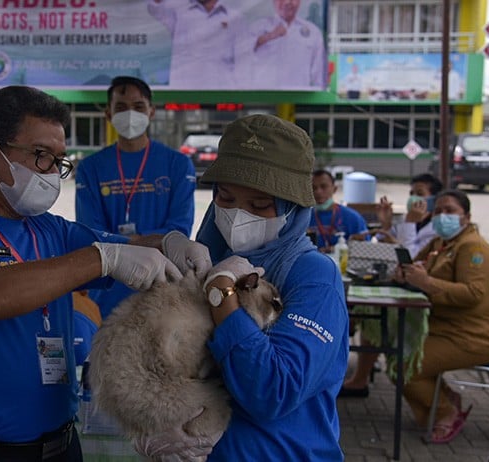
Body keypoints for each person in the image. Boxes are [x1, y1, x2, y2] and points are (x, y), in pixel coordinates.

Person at [0, 85, 197, 462]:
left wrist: (175, 245)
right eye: (41, 155)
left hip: (60, 448)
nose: (52, 173)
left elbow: (135, 246)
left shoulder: (51, 230)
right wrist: (99, 259)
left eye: (59, 160)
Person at [142, 114, 347, 460]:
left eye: (260, 205)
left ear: (292, 208)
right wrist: (149, 421)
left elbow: (274, 391)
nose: (238, 215)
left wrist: (221, 293)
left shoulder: (313, 277)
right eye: (225, 197)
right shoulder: (205, 258)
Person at [75, 76, 196, 318]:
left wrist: (125, 243)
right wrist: (144, 241)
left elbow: (179, 229)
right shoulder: (90, 168)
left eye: (138, 106)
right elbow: (91, 232)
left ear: (151, 112)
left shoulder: (178, 165)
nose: (130, 114)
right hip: (108, 288)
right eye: (121, 107)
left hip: (162, 286)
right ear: (108, 114)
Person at [394, 190, 489, 443]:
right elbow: (414, 264)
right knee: (396, 353)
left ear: (466, 218)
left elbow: (472, 294)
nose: (442, 216)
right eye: (438, 211)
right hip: (444, 327)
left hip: (476, 336)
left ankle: (446, 412)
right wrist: (406, 274)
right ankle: (443, 400)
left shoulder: (473, 247)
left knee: (404, 367)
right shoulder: (441, 243)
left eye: (450, 211)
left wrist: (427, 282)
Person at [339, 173, 444, 399]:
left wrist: (408, 224)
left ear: (434, 199)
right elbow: (388, 248)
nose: (414, 198)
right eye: (411, 193)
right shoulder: (410, 220)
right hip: (398, 286)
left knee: (375, 317)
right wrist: (386, 224)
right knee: (368, 313)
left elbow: (408, 259)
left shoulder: (436, 228)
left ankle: (360, 375)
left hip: (421, 297)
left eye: (420, 194)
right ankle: (358, 373)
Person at [147, 0, 240, 89]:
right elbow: (156, 8)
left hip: (223, 95)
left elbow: (245, 60)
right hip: (186, 96)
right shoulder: (179, 13)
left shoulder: (234, 17)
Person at [240, 0, 326, 90]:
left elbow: (319, 76)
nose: (287, 2)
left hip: (300, 97)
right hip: (263, 98)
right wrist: (270, 36)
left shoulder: (313, 32)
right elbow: (240, 56)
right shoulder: (257, 28)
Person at [309, 169, 368, 252]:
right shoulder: (304, 218)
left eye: (323, 186)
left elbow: (366, 247)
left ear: (334, 189)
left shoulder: (352, 217)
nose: (318, 191)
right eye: (313, 188)